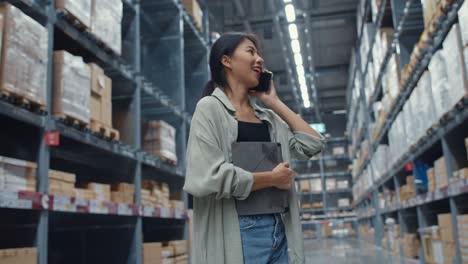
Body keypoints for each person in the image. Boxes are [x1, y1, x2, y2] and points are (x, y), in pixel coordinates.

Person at [183, 32, 327, 264]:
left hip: (279, 230)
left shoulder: (268, 117)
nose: (259, 59)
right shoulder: (210, 109)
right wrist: (272, 178)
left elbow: (314, 144)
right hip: (241, 231)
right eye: (250, 51)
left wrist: (273, 102)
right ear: (226, 60)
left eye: (259, 53)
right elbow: (207, 177)